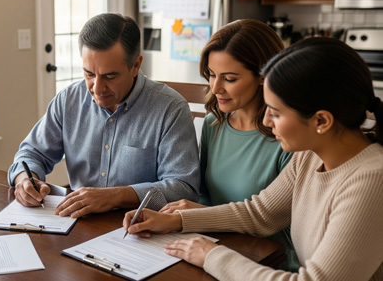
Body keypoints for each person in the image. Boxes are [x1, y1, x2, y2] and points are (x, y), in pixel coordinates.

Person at [123, 37, 383, 281]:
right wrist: (177, 220)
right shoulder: (310, 156)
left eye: (276, 113)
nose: (268, 121)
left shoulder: (371, 181)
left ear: (321, 121)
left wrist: (213, 256)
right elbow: (261, 213)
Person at [9, 13, 200, 219]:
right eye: (89, 74)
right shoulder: (68, 100)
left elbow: (183, 187)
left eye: (110, 76)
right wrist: (24, 180)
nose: (97, 88)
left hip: (141, 228)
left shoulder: (171, 108)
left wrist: (115, 196)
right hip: (76, 223)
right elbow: (32, 153)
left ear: (136, 65)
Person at [158, 19, 298, 271]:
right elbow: (203, 194)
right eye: (211, 75)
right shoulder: (214, 123)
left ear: (263, 77)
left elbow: (273, 220)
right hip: (215, 245)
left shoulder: (288, 137)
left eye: (230, 78)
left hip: (269, 262)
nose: (215, 87)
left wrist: (195, 217)